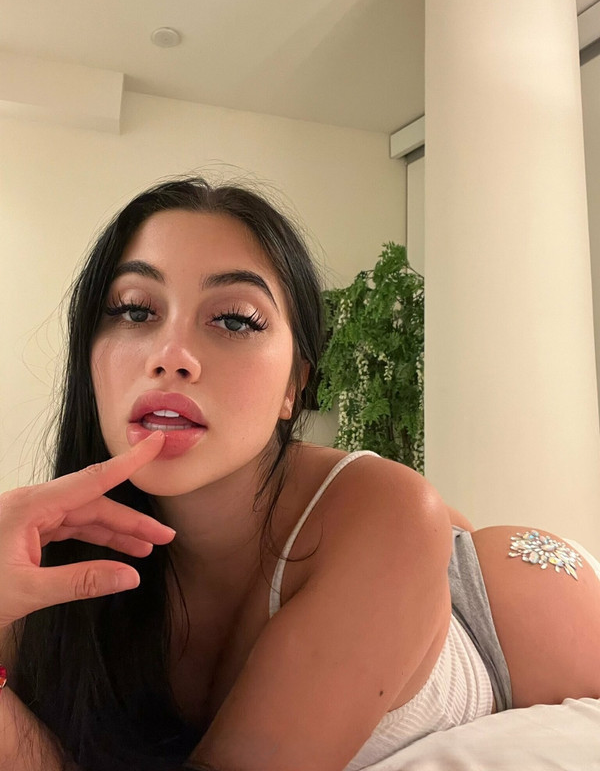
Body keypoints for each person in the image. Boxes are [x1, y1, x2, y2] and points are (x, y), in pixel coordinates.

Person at [1, 177, 599, 771]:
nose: (170, 355)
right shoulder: (40, 560)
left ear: (295, 385)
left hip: (510, 613)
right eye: (134, 310)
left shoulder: (386, 509)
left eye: (234, 320)